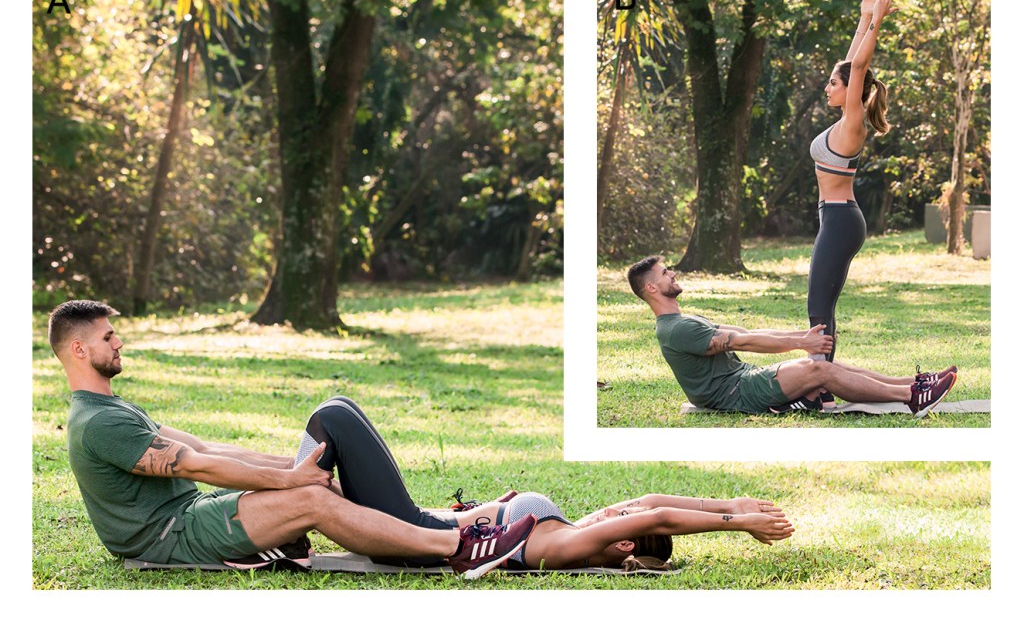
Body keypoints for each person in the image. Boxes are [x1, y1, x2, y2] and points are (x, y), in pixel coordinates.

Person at [48, 300, 537, 580]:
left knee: (333, 420)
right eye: (109, 337)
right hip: (169, 536)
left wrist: (299, 464)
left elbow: (209, 449)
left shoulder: (113, 409)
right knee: (309, 499)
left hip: (189, 516)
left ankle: (416, 529)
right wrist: (292, 480)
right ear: (78, 348)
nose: (118, 342)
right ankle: (456, 546)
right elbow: (196, 467)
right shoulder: (98, 423)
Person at [296, 396, 796, 571]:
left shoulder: (564, 547)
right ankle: (288, 508)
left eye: (620, 518)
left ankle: (285, 524)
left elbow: (659, 518)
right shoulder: (570, 529)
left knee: (333, 416)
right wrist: (728, 500)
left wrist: (740, 523)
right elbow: (652, 502)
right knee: (340, 412)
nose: (616, 507)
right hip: (411, 521)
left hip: (405, 535)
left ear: (621, 540)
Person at [627, 256, 957, 417]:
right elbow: (742, 342)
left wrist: (803, 336)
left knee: (825, 364)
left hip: (743, 380)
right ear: (652, 288)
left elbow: (746, 332)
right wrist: (803, 343)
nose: (672, 272)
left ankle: (915, 383)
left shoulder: (683, 321)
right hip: (734, 393)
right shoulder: (676, 329)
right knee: (819, 370)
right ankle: (912, 398)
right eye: (665, 272)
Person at [807, 0, 896, 408]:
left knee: (817, 304)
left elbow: (856, 67)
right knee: (822, 303)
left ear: (850, 90)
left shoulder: (853, 121)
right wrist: (862, 17)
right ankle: (819, 386)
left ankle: (817, 388)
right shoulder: (845, 119)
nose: (827, 87)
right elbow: (850, 63)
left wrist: (877, 22)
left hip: (841, 220)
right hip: (837, 218)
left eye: (832, 83)